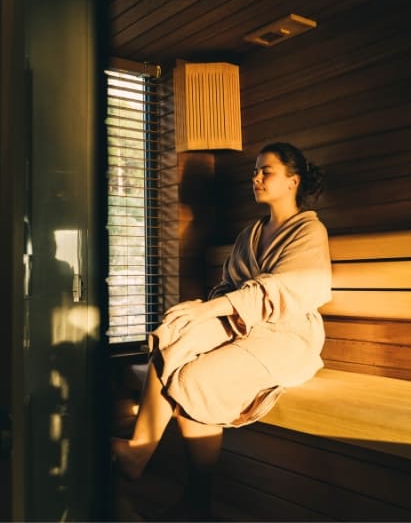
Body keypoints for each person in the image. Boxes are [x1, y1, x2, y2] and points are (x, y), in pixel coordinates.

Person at [111, 142, 331, 519]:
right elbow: (231, 290)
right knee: (173, 335)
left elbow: (283, 291)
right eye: (256, 171)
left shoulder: (309, 231)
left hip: (287, 336)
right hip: (243, 322)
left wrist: (214, 309)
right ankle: (140, 450)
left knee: (196, 378)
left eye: (267, 171)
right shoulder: (251, 232)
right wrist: (199, 310)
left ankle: (198, 500)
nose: (256, 178)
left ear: (293, 181)